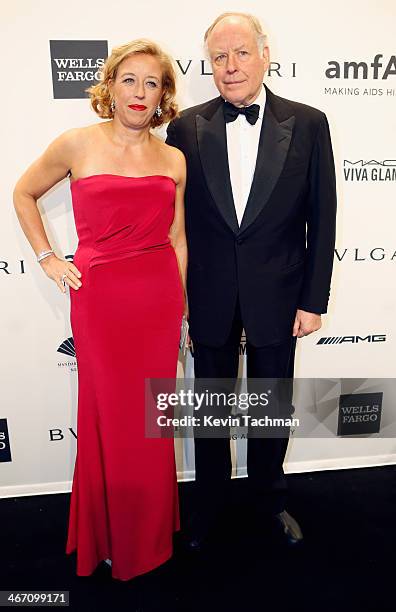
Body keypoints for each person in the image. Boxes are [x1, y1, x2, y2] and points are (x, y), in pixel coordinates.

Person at [13, 39, 187, 580]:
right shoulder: (75, 144)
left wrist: (177, 307)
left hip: (157, 301)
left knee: (150, 419)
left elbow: (178, 237)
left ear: (163, 96)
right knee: (111, 417)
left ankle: (149, 531)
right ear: (109, 85)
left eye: (151, 82)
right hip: (102, 302)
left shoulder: (173, 157)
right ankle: (110, 533)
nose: (139, 92)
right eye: (129, 79)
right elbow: (24, 192)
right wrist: (46, 256)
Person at [166, 12, 337, 549]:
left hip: (280, 295)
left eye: (241, 52)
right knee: (210, 412)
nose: (231, 65)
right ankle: (209, 506)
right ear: (208, 65)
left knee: (271, 407)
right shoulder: (185, 126)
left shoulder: (309, 123)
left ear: (266, 53)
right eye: (219, 56)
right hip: (210, 295)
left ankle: (270, 501)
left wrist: (313, 299)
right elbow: (176, 223)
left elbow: (322, 216)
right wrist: (180, 299)